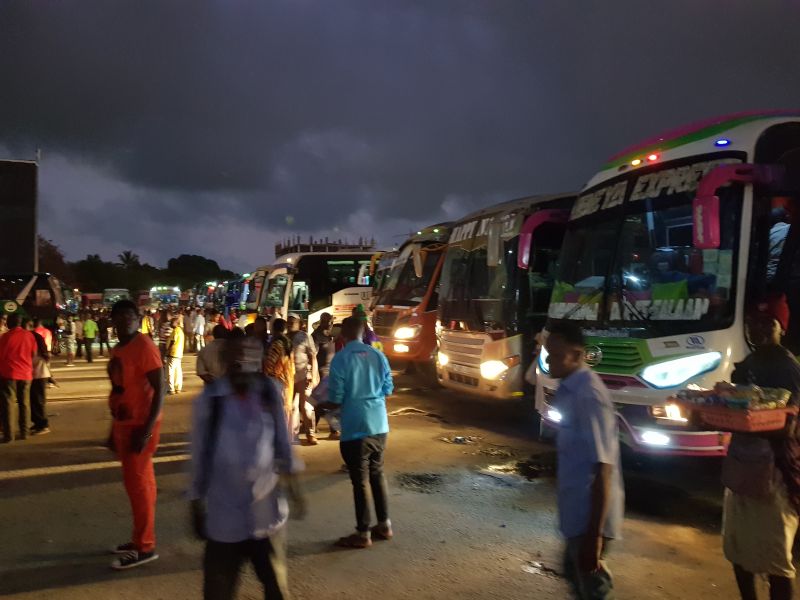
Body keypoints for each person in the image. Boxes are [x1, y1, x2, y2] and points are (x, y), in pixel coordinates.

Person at [188, 334, 305, 600]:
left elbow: (283, 445)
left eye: (248, 354)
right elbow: (198, 454)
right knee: (218, 590)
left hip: (266, 510)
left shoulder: (269, 391)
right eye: (235, 355)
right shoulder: (210, 400)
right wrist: (195, 503)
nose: (242, 361)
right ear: (224, 359)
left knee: (276, 586)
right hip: (223, 515)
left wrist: (296, 491)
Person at [722, 298, 800, 600]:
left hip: (777, 476)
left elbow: (791, 428)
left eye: (769, 323)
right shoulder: (748, 365)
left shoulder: (790, 370)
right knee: (738, 552)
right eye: (755, 323)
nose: (760, 330)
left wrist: (756, 421)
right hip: (742, 471)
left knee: (775, 560)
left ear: (782, 328)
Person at [544, 321, 624, 600]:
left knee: (591, 590)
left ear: (577, 356)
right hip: (577, 515)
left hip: (588, 520)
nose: (549, 363)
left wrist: (595, 536)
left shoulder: (588, 396)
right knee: (577, 581)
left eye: (556, 356)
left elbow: (603, 469)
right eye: (547, 355)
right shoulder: (569, 388)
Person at [320, 316, 394, 549]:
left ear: (344, 334)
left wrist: (321, 406)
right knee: (377, 473)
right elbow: (388, 388)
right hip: (379, 424)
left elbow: (336, 397)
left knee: (359, 482)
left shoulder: (341, 359)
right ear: (363, 332)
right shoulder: (378, 355)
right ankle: (384, 524)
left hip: (355, 426)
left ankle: (363, 533)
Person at [106, 300, 165, 570]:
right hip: (125, 424)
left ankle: (145, 547)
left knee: (139, 487)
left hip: (140, 425)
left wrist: (148, 428)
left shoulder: (143, 346)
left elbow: (159, 388)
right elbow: (120, 390)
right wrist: (112, 429)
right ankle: (140, 538)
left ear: (138, 317)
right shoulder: (120, 348)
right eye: (119, 316)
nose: (124, 320)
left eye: (129, 315)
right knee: (141, 486)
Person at [0, 313, 37, 443]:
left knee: (8, 404)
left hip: (9, 374)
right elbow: (34, 354)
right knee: (24, 403)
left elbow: (1, 355)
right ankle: (24, 432)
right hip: (26, 374)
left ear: (10, 323)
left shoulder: (5, 337)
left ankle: (9, 436)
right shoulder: (29, 336)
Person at [288, 314, 318, 445]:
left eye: (293, 322)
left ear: (299, 323)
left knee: (306, 406)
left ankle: (310, 433)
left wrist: (312, 374)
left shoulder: (305, 336)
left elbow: (313, 356)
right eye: (288, 322)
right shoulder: (284, 337)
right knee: (291, 407)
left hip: (304, 375)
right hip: (288, 377)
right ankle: (292, 435)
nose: (290, 324)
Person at [311, 313, 340, 439]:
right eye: (328, 321)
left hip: (331, 371)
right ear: (322, 321)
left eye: (331, 322)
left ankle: (319, 427)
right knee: (321, 401)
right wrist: (315, 373)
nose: (330, 324)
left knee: (327, 400)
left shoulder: (330, 336)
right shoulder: (315, 336)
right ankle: (317, 428)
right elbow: (313, 355)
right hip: (321, 371)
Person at [263, 318, 295, 431]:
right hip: (287, 380)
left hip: (277, 380)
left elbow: (269, 364)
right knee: (285, 410)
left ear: (273, 328)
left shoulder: (277, 344)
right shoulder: (288, 343)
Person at [27, 319, 52, 435]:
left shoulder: (33, 337)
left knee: (38, 400)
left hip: (39, 373)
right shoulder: (36, 336)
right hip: (37, 372)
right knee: (34, 399)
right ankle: (37, 423)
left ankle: (43, 425)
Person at [167, 316, 185, 394]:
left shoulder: (175, 331)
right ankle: (178, 388)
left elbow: (172, 341)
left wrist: (168, 350)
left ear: (176, 323)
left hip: (173, 353)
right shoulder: (181, 331)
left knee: (170, 372)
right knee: (178, 371)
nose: (170, 324)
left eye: (172, 322)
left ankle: (171, 389)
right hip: (179, 354)